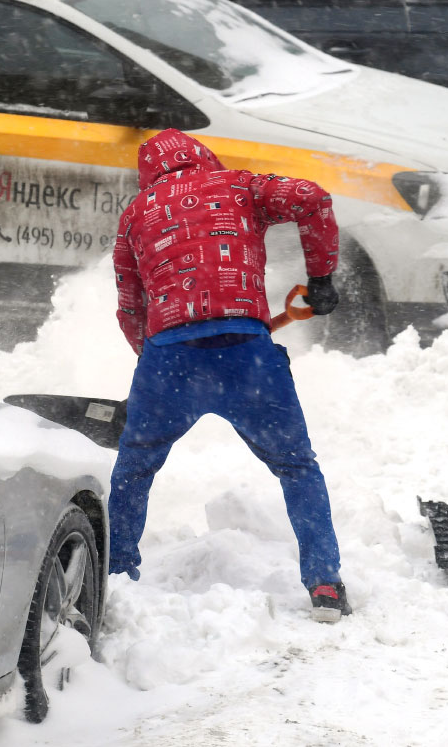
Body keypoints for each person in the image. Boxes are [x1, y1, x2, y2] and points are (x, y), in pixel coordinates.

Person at [108, 128, 351, 623]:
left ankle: (113, 580)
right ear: (204, 158)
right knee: (297, 467)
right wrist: (322, 277)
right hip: (247, 355)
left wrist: (150, 369)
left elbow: (130, 307)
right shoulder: (239, 186)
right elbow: (312, 198)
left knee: (134, 469)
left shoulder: (134, 215)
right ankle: (324, 584)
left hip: (170, 359)